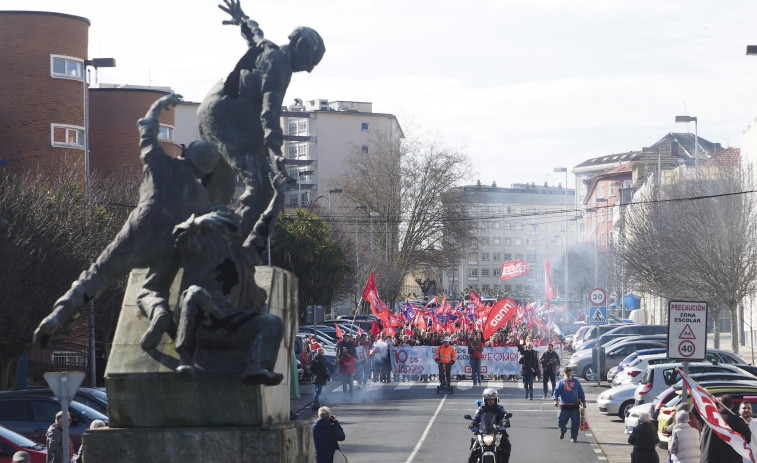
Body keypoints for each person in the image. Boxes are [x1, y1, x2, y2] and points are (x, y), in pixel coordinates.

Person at [33, 93, 223, 351]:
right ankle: (158, 313)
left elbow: (146, 130)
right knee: (153, 289)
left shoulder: (161, 164)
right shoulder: (201, 198)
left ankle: (59, 315)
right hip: (172, 243)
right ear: (205, 170)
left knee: (98, 273)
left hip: (141, 229)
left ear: (187, 154)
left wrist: (158, 107)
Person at [198, 0, 325, 258]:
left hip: (214, 112)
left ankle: (195, 236)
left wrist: (241, 17)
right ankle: (226, 251)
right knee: (262, 190)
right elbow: (270, 112)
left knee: (217, 190)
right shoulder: (279, 65)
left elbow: (255, 34)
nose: (309, 69)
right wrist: (277, 156)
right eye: (311, 60)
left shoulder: (271, 50)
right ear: (300, 47)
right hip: (228, 118)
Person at [170, 207, 284, 385]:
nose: (226, 236)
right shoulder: (200, 249)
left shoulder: (243, 256)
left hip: (230, 322)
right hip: (202, 320)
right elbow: (180, 236)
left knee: (273, 321)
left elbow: (262, 228)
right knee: (195, 293)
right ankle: (186, 358)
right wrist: (200, 220)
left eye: (230, 230)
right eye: (222, 229)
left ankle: (256, 367)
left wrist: (279, 196)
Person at [701, 394, 751, 463]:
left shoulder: (709, 420)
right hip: (730, 459)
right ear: (732, 406)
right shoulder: (737, 421)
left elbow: (702, 439)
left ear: (720, 405)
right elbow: (747, 440)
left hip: (709, 459)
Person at [467, 388, 511, 463]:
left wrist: (505, 422)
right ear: (485, 400)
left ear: (496, 399)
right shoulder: (481, 409)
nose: (491, 401)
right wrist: (472, 424)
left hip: (497, 433)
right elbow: (476, 418)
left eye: (492, 399)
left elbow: (504, 416)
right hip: (484, 433)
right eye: (488, 399)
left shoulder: (500, 408)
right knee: (474, 449)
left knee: (507, 446)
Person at [553, 366, 586, 443]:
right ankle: (563, 430)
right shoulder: (561, 382)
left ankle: (573, 437)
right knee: (560, 421)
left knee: (575, 423)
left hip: (574, 406)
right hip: (564, 406)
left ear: (571, 372)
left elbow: (581, 392)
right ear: (564, 373)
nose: (568, 373)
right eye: (566, 372)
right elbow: (556, 392)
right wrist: (555, 400)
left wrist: (584, 402)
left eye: (569, 372)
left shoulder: (576, 382)